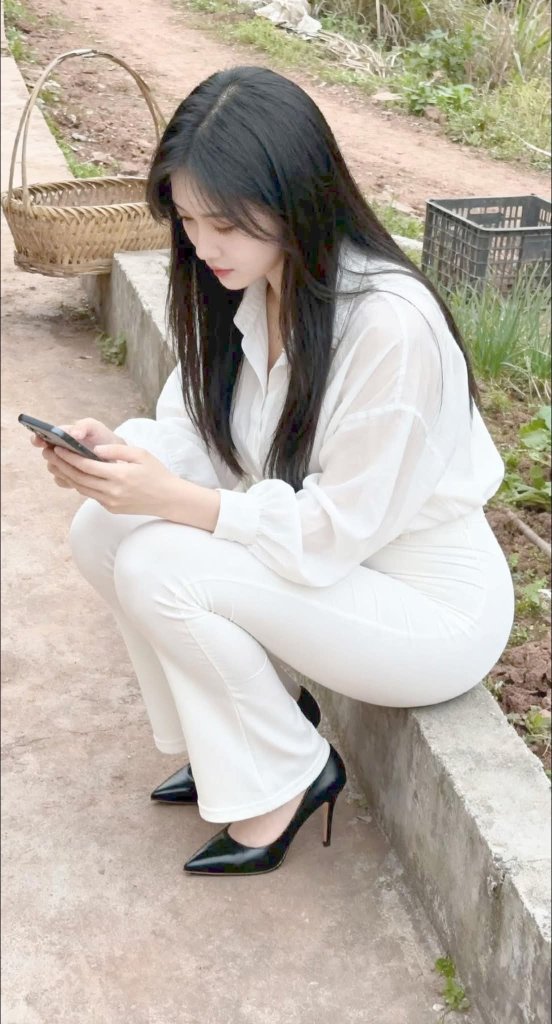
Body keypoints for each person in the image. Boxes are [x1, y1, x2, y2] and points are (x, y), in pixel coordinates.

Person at [32, 66, 515, 877]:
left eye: (224, 222)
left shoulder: (390, 326)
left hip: (426, 610)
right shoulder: (248, 285)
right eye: (188, 219)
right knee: (103, 529)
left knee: (159, 562)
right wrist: (117, 458)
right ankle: (235, 744)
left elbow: (333, 532)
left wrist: (178, 501)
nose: (202, 246)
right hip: (339, 574)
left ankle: (287, 774)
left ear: (297, 197)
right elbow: (197, 433)